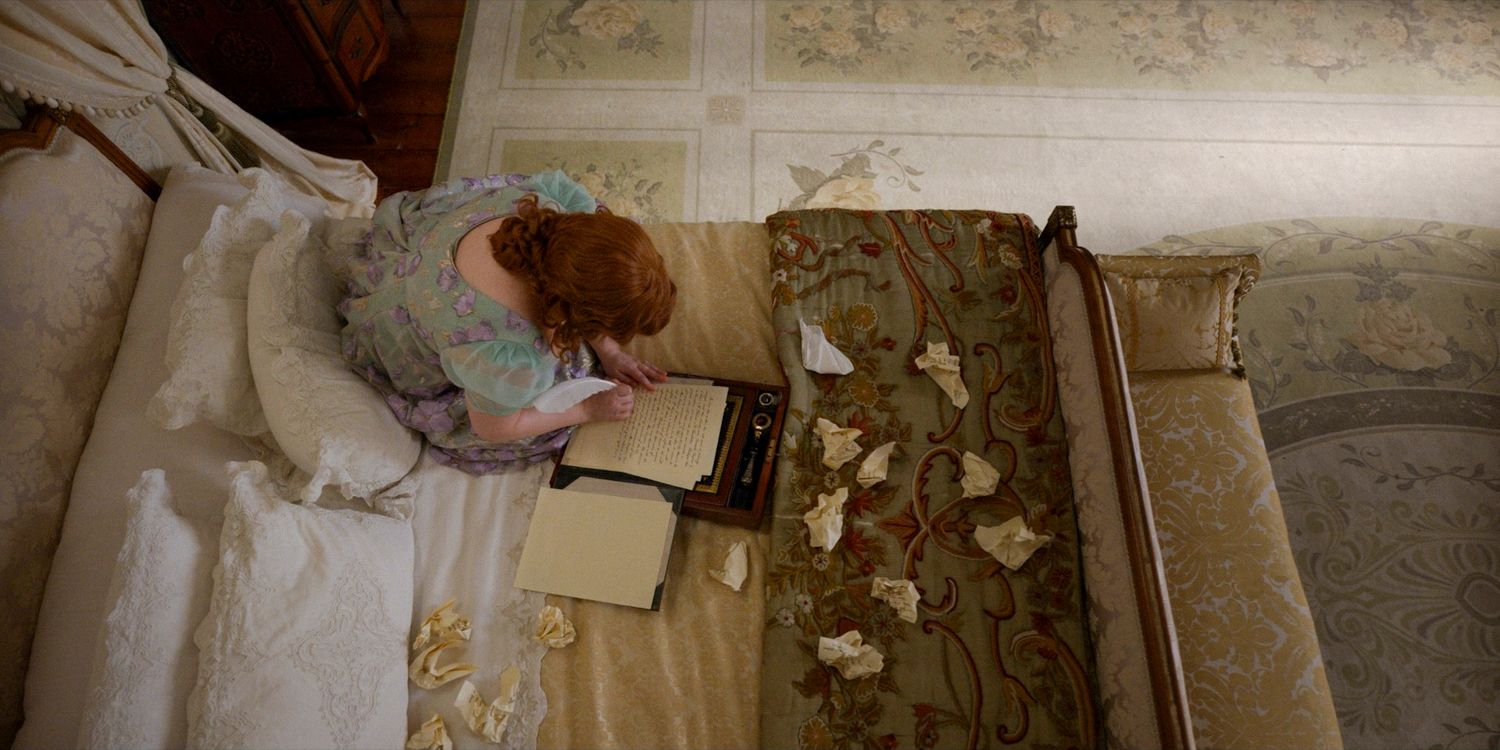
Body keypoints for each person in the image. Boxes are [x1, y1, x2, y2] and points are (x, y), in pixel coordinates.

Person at [338, 170, 676, 474]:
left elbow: (577, 286)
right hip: (405, 339)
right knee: (559, 388)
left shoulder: (554, 210)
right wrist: (587, 409)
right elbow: (494, 428)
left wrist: (611, 352)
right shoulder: (511, 357)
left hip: (426, 267)